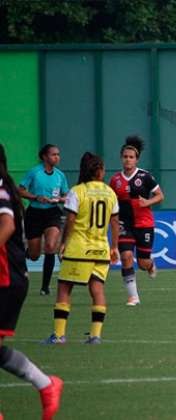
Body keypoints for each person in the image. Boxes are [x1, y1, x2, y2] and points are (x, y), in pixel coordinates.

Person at [0, 144, 63, 420]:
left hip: (5, 278)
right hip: (11, 276)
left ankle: (46, 384)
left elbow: (8, 224)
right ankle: (46, 384)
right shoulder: (16, 182)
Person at [45, 152, 119, 344]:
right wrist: (115, 247)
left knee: (64, 289)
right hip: (101, 249)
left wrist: (63, 243)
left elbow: (70, 220)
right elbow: (115, 223)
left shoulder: (77, 191)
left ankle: (59, 335)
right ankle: (96, 336)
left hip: (79, 249)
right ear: (100, 171)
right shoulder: (110, 192)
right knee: (97, 290)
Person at [109, 136, 163, 306]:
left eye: (131, 157)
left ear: (136, 159)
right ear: (121, 158)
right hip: (125, 224)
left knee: (142, 263)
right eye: (125, 156)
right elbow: (111, 202)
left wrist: (147, 202)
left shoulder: (145, 177)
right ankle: (133, 297)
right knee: (126, 257)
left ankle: (150, 265)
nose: (128, 159)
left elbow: (161, 196)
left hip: (144, 224)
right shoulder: (115, 180)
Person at [18, 144, 69, 295]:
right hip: (34, 214)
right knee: (34, 256)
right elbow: (20, 190)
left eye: (58, 154)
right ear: (45, 157)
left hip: (52, 213)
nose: (57, 157)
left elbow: (66, 195)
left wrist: (59, 199)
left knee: (50, 245)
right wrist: (35, 197)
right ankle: (29, 252)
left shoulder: (60, 175)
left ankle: (45, 287)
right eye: (53, 154)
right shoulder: (34, 172)